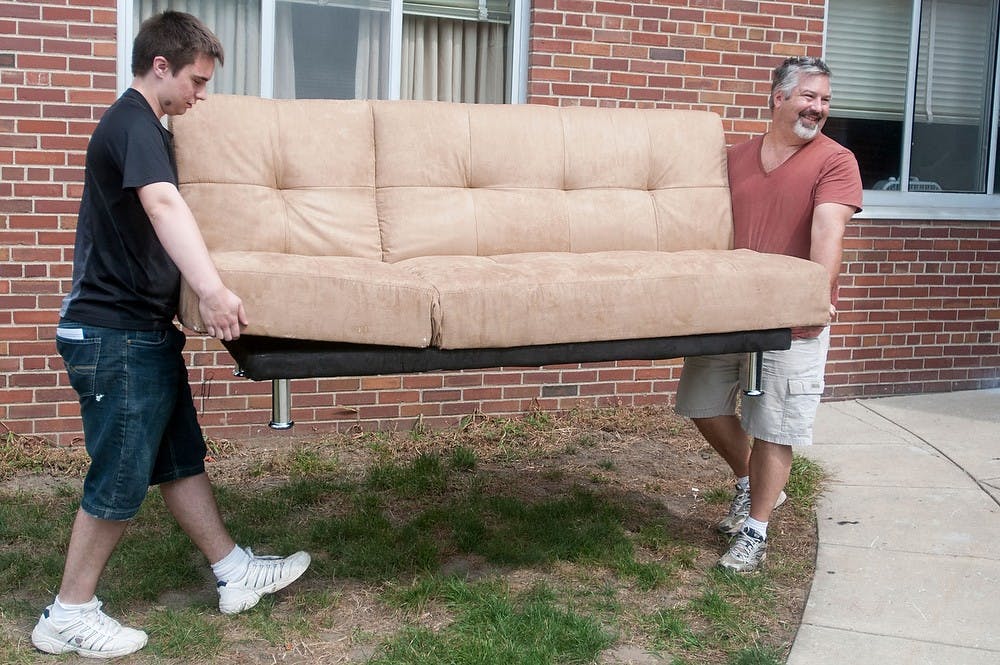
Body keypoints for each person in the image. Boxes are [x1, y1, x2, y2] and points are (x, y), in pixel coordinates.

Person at [31, 11, 311, 658]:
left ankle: (233, 570)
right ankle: (68, 612)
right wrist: (211, 290)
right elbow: (162, 205)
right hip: (113, 335)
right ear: (161, 66)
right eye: (196, 80)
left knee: (178, 457)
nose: (200, 95)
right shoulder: (133, 126)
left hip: (139, 332)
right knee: (120, 477)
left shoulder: (142, 126)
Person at [674, 56, 862, 573]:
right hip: (729, 310)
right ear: (777, 97)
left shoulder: (835, 161)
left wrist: (813, 296)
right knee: (700, 403)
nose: (819, 108)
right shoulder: (734, 158)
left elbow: (829, 232)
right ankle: (749, 483)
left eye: (825, 99)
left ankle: (755, 530)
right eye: (809, 96)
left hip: (790, 320)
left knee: (775, 427)